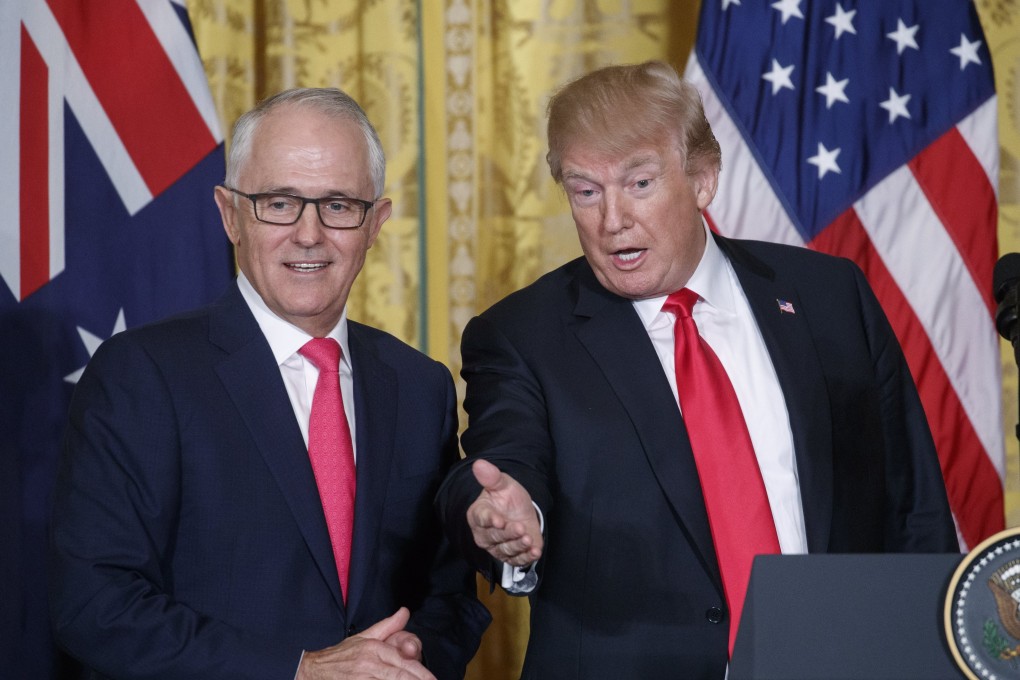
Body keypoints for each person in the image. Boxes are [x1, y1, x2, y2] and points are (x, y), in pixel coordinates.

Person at [435, 61, 957, 679]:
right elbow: (506, 465)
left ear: (703, 179)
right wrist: (506, 519)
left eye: (640, 183)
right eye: (586, 191)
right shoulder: (522, 336)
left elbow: (913, 506)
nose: (612, 220)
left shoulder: (828, 297)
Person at [50, 87, 489, 680]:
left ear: (376, 223)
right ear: (230, 214)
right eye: (279, 203)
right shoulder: (141, 375)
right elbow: (94, 604)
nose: (309, 233)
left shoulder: (420, 386)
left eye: (338, 205)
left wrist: (408, 657)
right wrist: (300, 670)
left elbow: (450, 593)